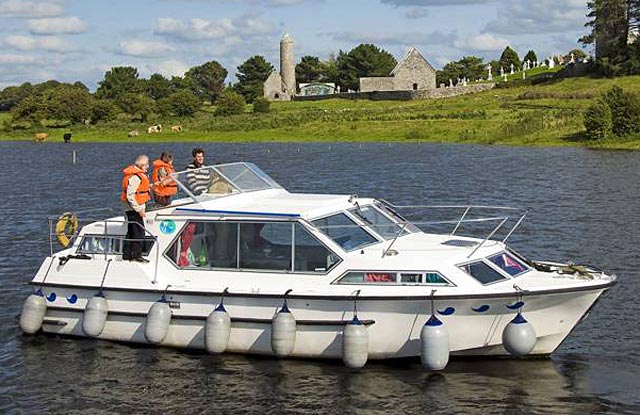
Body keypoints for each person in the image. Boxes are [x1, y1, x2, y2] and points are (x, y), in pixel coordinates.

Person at [121, 155, 150, 263]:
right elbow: (130, 195)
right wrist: (139, 209)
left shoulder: (136, 176)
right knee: (139, 232)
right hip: (134, 209)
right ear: (142, 165)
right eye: (146, 165)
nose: (147, 167)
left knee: (132, 231)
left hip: (132, 208)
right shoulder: (135, 177)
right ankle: (136, 255)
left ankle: (127, 255)